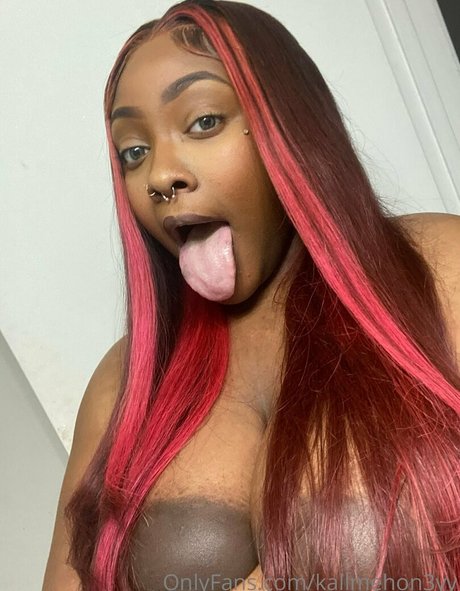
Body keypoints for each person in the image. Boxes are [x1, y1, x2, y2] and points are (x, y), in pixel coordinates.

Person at [42, 1, 460, 590]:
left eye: (203, 121)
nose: (159, 175)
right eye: (134, 151)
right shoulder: (125, 382)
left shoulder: (438, 267)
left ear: (290, 124)